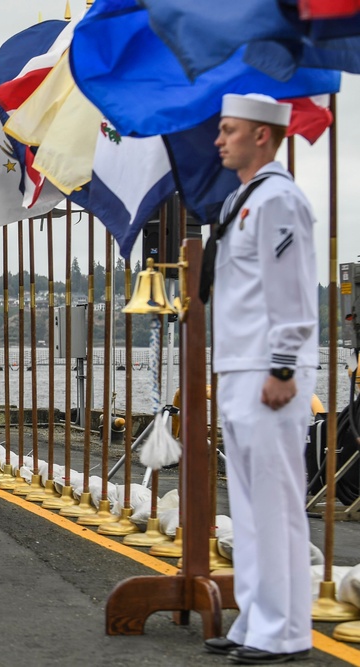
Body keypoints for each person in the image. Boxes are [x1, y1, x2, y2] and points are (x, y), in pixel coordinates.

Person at [201, 94, 318, 664]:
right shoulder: (241, 201)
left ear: (263, 136)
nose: (219, 140)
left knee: (275, 504)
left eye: (229, 130)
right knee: (247, 506)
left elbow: (291, 290)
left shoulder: (277, 201)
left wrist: (284, 364)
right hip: (238, 367)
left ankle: (284, 631)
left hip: (267, 372)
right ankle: (256, 618)